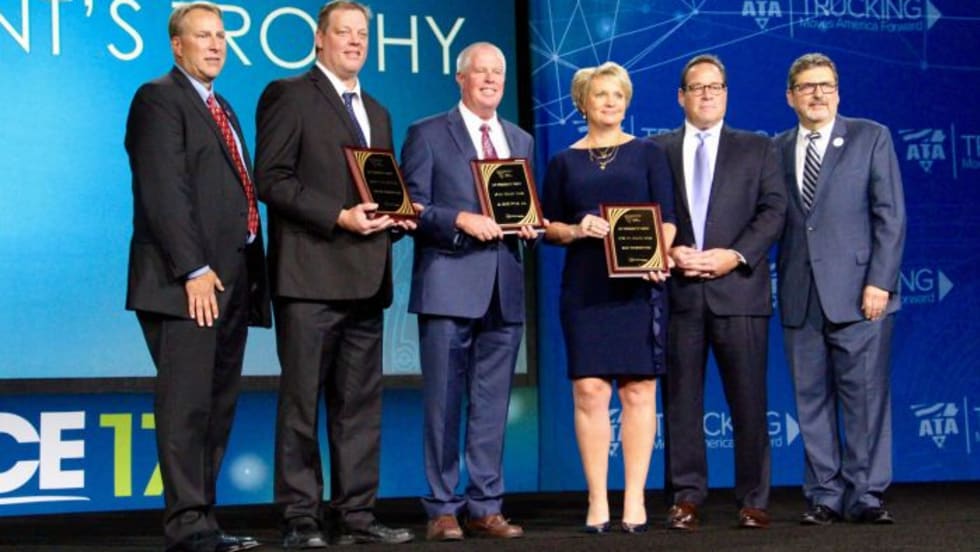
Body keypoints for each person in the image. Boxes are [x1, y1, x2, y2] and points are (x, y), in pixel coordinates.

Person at [254, 1, 415, 547]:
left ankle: (357, 517)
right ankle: (301, 518)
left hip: (367, 279)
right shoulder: (288, 95)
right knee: (301, 405)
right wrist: (337, 216)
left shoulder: (378, 111)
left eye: (362, 33)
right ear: (319, 39)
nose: (355, 41)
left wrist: (398, 217)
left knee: (360, 409)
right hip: (309, 278)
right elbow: (272, 179)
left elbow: (379, 187)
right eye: (344, 31)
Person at [124, 3, 270, 551]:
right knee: (186, 407)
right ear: (176, 45)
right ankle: (187, 526)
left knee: (215, 406)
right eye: (202, 36)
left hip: (230, 280)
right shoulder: (159, 98)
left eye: (221, 36)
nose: (214, 45)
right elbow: (164, 191)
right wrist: (195, 269)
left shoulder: (221, 105)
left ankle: (205, 521)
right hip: (185, 285)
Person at [400, 42, 535, 542]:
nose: (491, 79)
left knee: (492, 404)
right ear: (461, 78)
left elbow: (522, 206)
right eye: (481, 71)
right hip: (448, 284)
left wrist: (530, 225)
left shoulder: (520, 139)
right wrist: (459, 218)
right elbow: (412, 208)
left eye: (498, 72)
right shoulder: (428, 133)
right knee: (443, 404)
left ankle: (485, 506)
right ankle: (441, 508)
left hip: (504, 288)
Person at [652, 54, 787, 531]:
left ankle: (753, 499)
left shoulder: (758, 147)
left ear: (726, 93)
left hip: (740, 291)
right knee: (681, 402)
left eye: (716, 86)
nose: (707, 94)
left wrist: (735, 255)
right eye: (697, 87)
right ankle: (686, 497)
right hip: (680, 293)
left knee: (748, 401)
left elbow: (774, 210)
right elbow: (645, 215)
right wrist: (667, 252)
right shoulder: (657, 150)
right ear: (681, 96)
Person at [542, 61, 677, 535]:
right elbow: (549, 227)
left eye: (618, 95)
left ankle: (635, 498)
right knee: (590, 391)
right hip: (586, 287)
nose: (610, 102)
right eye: (601, 94)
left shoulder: (648, 153)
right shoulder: (563, 162)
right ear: (583, 102)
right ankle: (597, 498)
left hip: (638, 287)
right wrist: (577, 228)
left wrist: (659, 253)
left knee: (638, 390)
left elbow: (668, 220)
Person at [775, 52, 906, 526]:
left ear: (838, 92)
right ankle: (825, 496)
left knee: (865, 400)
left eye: (826, 86)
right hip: (800, 295)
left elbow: (890, 216)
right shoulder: (775, 148)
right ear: (791, 97)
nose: (818, 94)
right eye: (807, 87)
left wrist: (880, 282)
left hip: (860, 295)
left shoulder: (870, 137)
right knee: (810, 403)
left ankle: (866, 494)